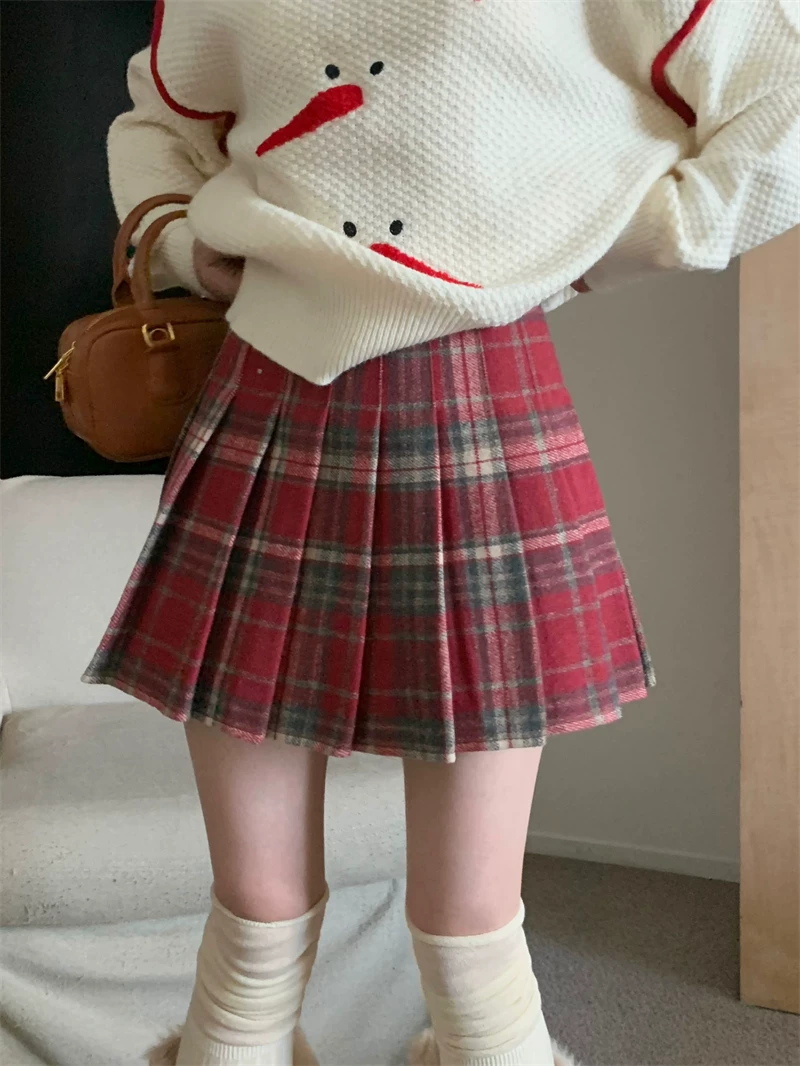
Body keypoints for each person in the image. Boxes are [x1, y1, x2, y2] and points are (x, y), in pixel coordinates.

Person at [82, 1, 799, 1064]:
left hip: (477, 390)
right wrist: (187, 240)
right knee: (253, 921)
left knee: (469, 935)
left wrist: (602, 245)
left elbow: (779, 99)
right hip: (267, 381)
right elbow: (158, 119)